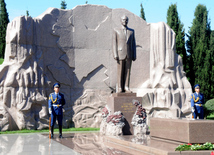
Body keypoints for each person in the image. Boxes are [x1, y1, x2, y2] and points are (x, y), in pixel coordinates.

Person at [112, 15, 136, 93]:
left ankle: (126, 87)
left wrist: (134, 54)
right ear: (120, 20)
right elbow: (114, 43)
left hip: (129, 54)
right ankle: (119, 87)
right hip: (120, 53)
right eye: (123, 20)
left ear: (127, 21)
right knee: (120, 71)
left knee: (128, 71)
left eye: (126, 20)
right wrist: (115, 54)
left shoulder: (131, 31)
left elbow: (133, 44)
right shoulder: (116, 30)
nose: (124, 21)